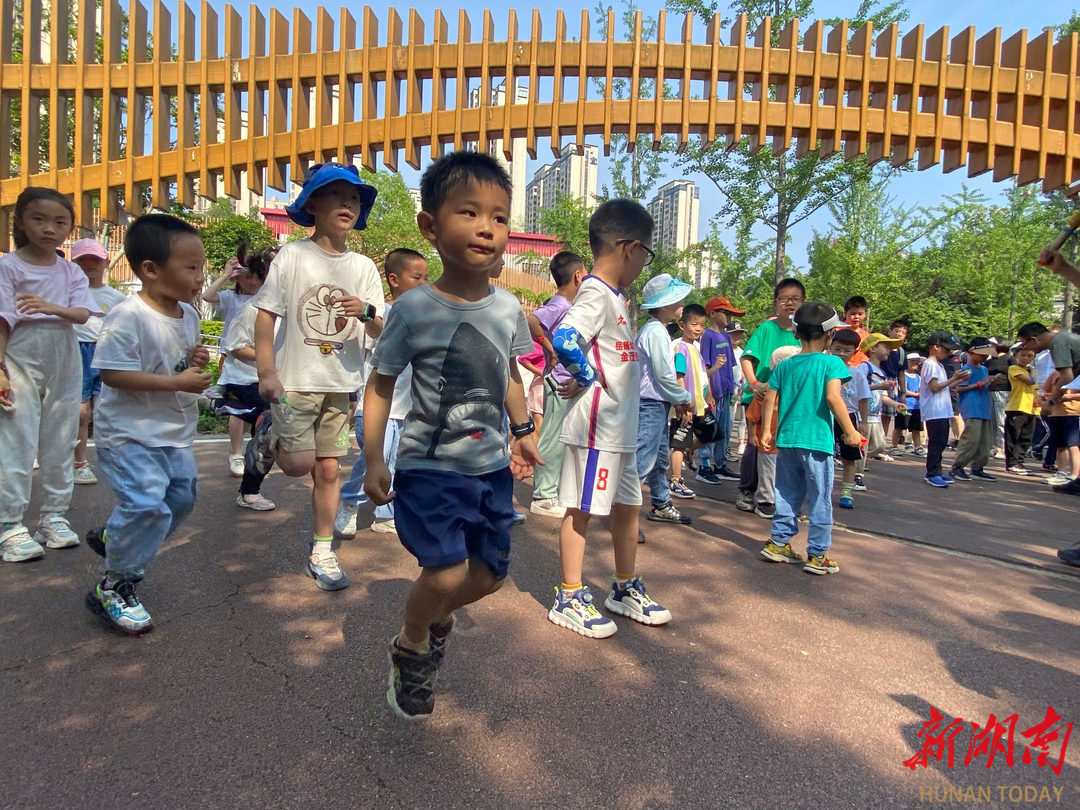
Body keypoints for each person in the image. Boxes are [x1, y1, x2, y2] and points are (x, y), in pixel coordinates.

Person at [363, 151, 540, 720]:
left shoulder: (508, 307)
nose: (487, 227)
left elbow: (509, 373)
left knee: (488, 577)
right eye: (469, 212)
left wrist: (523, 429)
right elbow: (380, 384)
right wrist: (374, 458)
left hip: (490, 468)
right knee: (444, 571)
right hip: (430, 466)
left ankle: (435, 618)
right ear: (430, 226)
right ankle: (412, 642)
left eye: (499, 216)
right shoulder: (413, 309)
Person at [251, 162, 385, 592]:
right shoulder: (292, 256)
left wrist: (365, 310)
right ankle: (268, 431)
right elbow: (266, 317)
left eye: (354, 199)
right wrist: (267, 372)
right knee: (297, 466)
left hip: (341, 385)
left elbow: (380, 328)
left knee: (328, 471)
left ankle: (322, 550)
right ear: (312, 204)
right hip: (294, 381)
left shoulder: (363, 267)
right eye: (336, 195)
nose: (347, 204)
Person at [548, 198, 671, 640]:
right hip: (598, 427)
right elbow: (565, 338)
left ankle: (623, 586)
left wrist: (586, 376)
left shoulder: (616, 297)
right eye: (646, 254)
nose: (642, 262)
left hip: (620, 430)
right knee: (581, 509)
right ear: (631, 248)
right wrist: (586, 378)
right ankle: (569, 595)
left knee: (628, 506)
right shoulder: (596, 292)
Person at [83, 214, 212, 633]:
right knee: (145, 505)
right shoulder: (128, 316)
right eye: (191, 267)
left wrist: (194, 361)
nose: (200, 277)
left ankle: (116, 537)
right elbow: (111, 374)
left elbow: (178, 360)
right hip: (128, 433)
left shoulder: (188, 315)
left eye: (201, 267)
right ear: (151, 269)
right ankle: (115, 585)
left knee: (181, 500)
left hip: (172, 432)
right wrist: (177, 381)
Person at [0, 188, 100, 563]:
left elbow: (82, 314)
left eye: (60, 222)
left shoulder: (71, 270)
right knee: (16, 439)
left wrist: (50, 307)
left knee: (61, 435)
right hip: (19, 353)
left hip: (63, 352)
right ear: (21, 222)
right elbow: (2, 321)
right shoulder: (8, 267)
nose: (49, 228)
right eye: (38, 219)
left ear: (70, 228)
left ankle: (53, 517)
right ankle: (10, 526)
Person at [759, 303, 861, 575]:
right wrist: (850, 430)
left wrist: (766, 430)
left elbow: (770, 397)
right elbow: (833, 397)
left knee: (786, 492)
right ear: (830, 335)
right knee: (820, 497)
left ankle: (779, 542)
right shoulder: (832, 363)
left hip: (787, 439)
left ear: (796, 333)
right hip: (816, 440)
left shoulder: (785, 364)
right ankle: (817, 554)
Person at [212, 245, 280, 511]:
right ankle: (249, 492)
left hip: (273, 381)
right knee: (269, 423)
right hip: (243, 381)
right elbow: (236, 347)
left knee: (280, 429)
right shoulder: (253, 309)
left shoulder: (293, 308)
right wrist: (268, 359)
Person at [735, 279, 803, 515]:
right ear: (776, 303)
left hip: (788, 400)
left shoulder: (803, 333)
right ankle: (747, 489)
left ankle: (778, 496)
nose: (789, 303)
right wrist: (754, 383)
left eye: (795, 299)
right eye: (784, 298)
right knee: (756, 445)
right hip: (761, 396)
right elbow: (747, 358)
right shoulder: (767, 329)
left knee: (781, 449)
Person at [527, 251, 586, 518]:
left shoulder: (566, 305)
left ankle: (554, 491)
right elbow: (532, 321)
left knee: (562, 438)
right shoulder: (560, 304)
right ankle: (543, 496)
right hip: (559, 380)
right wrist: (550, 350)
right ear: (577, 276)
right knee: (552, 438)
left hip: (566, 380)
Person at [634, 273, 694, 525]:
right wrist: (684, 398)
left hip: (656, 404)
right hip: (650, 404)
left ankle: (660, 503)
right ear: (665, 304)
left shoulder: (656, 330)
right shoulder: (656, 332)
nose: (682, 304)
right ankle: (623, 516)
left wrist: (676, 400)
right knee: (642, 460)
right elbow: (663, 375)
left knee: (658, 459)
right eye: (678, 299)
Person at [202, 252, 266, 477]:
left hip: (261, 361)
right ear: (237, 278)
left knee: (258, 408)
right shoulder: (231, 297)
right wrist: (225, 274)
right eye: (247, 276)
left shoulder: (268, 300)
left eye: (257, 276)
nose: (252, 282)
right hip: (234, 357)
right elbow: (207, 296)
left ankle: (256, 451)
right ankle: (235, 453)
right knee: (238, 409)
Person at [71, 238, 127, 485]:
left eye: (94, 259)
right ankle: (79, 463)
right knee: (82, 413)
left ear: (106, 262)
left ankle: (114, 462)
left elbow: (126, 330)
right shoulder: (68, 292)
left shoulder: (117, 297)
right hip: (77, 351)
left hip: (106, 353)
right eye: (82, 259)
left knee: (106, 412)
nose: (88, 264)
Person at [1017, 319, 1080, 491]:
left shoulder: (1057, 343)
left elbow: (1066, 376)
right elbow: (1069, 376)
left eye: (1025, 344)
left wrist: (1051, 401)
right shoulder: (1064, 339)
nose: (1026, 348)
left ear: (1034, 339)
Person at [745, 346, 800, 517]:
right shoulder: (765, 391)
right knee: (768, 474)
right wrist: (752, 435)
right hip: (768, 443)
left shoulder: (796, 391)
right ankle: (765, 501)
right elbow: (753, 416)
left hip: (788, 442)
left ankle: (785, 504)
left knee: (787, 474)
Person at [668, 303, 714, 498]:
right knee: (678, 443)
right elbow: (679, 376)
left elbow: (701, 376)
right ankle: (676, 480)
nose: (698, 329)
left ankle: (686, 455)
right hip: (685, 406)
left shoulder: (695, 349)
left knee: (711, 432)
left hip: (698, 405)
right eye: (694, 324)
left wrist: (707, 395)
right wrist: (683, 403)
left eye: (702, 325)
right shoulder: (681, 348)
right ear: (682, 325)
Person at [698, 296, 745, 483]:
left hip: (726, 391)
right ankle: (704, 466)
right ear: (712, 314)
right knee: (710, 430)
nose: (728, 316)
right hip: (714, 392)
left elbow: (731, 366)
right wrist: (708, 393)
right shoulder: (708, 336)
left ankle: (720, 464)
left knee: (724, 429)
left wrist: (732, 389)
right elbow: (705, 367)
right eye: (725, 312)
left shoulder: (726, 337)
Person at [950, 337, 1004, 482]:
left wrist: (991, 382)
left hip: (984, 408)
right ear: (972, 352)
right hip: (972, 407)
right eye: (982, 354)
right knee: (971, 439)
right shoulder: (966, 369)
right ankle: (957, 467)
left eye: (987, 354)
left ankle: (978, 468)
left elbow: (983, 385)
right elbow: (958, 388)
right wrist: (981, 383)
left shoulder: (984, 369)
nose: (985, 357)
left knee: (984, 441)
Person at [921, 331, 970, 487]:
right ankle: (932, 473)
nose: (949, 352)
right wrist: (954, 378)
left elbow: (944, 387)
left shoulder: (938, 365)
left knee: (941, 442)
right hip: (934, 410)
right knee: (936, 443)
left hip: (941, 410)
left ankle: (937, 471)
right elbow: (934, 387)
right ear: (936, 347)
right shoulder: (930, 364)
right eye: (946, 348)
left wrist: (958, 380)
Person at [829, 328, 868, 509]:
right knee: (825, 454)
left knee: (849, 456)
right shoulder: (825, 368)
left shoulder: (857, 373)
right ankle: (823, 489)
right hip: (827, 415)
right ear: (830, 346)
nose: (842, 354)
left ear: (855, 351)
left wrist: (864, 422)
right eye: (837, 349)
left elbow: (863, 399)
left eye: (847, 350)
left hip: (849, 417)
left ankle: (847, 491)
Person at [856, 333, 904, 472]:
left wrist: (895, 404)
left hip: (876, 416)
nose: (889, 350)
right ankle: (857, 473)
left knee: (880, 445)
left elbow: (883, 396)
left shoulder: (881, 372)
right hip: (863, 416)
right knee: (862, 445)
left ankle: (859, 462)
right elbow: (858, 388)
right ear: (872, 348)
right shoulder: (865, 367)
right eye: (886, 347)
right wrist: (878, 386)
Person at [1004, 346, 1039, 475]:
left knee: (1026, 437)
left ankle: (1019, 461)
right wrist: (1033, 371)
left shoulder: (1028, 370)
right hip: (1017, 407)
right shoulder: (1014, 368)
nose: (1025, 358)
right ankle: (1012, 463)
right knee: (1013, 436)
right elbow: (1030, 381)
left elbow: (1034, 388)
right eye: (1023, 355)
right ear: (1016, 356)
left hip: (1031, 408)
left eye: (1029, 356)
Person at [881, 320, 908, 452]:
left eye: (903, 332)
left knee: (887, 416)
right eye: (897, 331)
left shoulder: (902, 352)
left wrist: (903, 392)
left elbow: (901, 373)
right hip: (879, 378)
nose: (900, 334)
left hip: (893, 382)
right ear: (890, 332)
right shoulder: (882, 347)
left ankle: (881, 445)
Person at [895, 353, 925, 455]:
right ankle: (894, 445)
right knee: (900, 426)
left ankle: (918, 446)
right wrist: (917, 394)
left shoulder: (918, 377)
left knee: (916, 428)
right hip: (905, 405)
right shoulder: (903, 375)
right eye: (912, 361)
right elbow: (904, 390)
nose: (915, 364)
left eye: (917, 362)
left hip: (916, 406)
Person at [728, 320, 748, 455]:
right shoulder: (723, 349)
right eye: (734, 333)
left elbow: (744, 370)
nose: (737, 336)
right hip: (725, 390)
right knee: (726, 420)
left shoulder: (742, 353)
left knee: (741, 418)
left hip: (739, 390)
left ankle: (738, 443)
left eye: (740, 333)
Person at [842, 296, 870, 365]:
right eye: (853, 314)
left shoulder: (866, 335)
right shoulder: (837, 331)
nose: (856, 317)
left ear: (865, 315)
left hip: (862, 368)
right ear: (845, 314)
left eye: (860, 314)